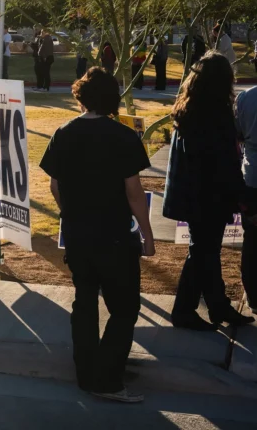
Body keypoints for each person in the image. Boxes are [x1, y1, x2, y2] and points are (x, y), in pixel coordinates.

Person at [40, 68, 154, 403]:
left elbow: (55, 184)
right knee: (124, 308)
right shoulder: (122, 136)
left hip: (78, 235)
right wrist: (147, 234)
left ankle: (88, 372)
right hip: (115, 237)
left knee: (85, 303)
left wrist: (69, 214)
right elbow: (134, 193)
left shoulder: (64, 132)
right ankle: (107, 377)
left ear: (81, 96)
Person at [163, 52, 255, 330]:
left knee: (203, 251)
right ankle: (191, 310)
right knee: (203, 252)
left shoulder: (189, 111)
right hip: (209, 197)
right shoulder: (216, 116)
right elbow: (225, 163)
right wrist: (244, 196)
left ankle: (214, 306)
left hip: (192, 194)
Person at [236, 86, 257, 312]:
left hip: (253, 178)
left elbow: (238, 133)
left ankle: (254, 294)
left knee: (252, 240)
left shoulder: (246, 98)